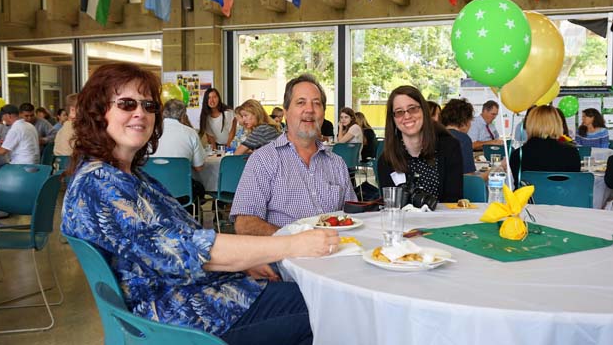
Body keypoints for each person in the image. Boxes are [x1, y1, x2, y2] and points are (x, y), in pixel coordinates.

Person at [61, 63, 338, 345]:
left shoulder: (131, 177)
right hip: (182, 319)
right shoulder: (99, 184)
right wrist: (293, 244)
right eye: (127, 104)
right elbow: (186, 249)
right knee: (330, 309)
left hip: (199, 298)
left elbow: (188, 236)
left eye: (148, 105)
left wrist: (242, 265)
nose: (140, 114)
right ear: (98, 112)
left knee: (319, 298)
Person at [231, 74, 357, 236]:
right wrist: (295, 241)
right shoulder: (263, 160)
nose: (310, 110)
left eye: (316, 103)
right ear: (286, 111)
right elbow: (245, 224)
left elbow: (353, 216)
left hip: (336, 253)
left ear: (323, 113)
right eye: (300, 103)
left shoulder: (337, 163)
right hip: (284, 257)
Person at [378, 85, 463, 203]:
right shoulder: (386, 160)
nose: (407, 116)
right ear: (393, 119)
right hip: (404, 221)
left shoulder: (449, 147)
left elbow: (452, 200)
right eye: (399, 112)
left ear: (424, 111)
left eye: (412, 109)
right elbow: (391, 205)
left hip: (444, 220)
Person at [509, 105, 580, 183]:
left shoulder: (518, 155)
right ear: (558, 123)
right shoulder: (571, 153)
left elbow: (518, 185)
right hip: (563, 194)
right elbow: (574, 183)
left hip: (531, 195)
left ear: (529, 124)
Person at [440, 98, 477, 174]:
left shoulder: (433, 135)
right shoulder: (463, 139)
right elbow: (468, 177)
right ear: (465, 121)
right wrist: (495, 170)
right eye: (470, 120)